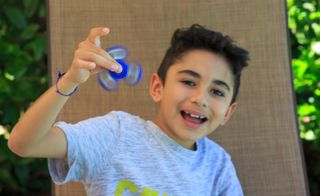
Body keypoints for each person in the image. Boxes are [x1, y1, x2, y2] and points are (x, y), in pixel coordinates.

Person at [8, 24, 249, 196]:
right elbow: (24, 143)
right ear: (157, 87)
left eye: (217, 92)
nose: (200, 99)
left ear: (228, 112)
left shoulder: (218, 164)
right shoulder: (116, 134)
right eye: (188, 82)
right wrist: (70, 81)